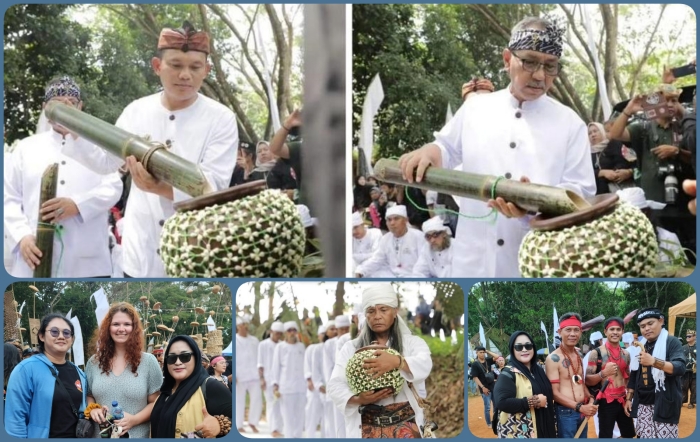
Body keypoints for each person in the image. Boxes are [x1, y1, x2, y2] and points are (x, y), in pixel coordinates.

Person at [398, 17, 595, 277]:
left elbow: (581, 194)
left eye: (550, 66)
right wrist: (430, 151)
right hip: (473, 261)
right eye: (530, 62)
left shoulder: (570, 123)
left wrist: (534, 203)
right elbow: (445, 147)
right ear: (506, 59)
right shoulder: (476, 108)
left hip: (535, 263)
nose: (539, 75)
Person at [60, 21, 238, 277]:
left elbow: (215, 184)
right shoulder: (136, 111)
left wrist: (160, 188)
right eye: (176, 65)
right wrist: (76, 130)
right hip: (140, 245)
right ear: (157, 66)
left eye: (195, 67)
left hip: (193, 248)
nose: (185, 74)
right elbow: (107, 162)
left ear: (207, 70)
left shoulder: (221, 118)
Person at [4, 76, 122, 277]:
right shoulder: (26, 148)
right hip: (34, 257)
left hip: (87, 262)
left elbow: (113, 186)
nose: (65, 110)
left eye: (71, 103)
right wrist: (22, 236)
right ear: (45, 108)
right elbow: (9, 198)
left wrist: (77, 205)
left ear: (80, 107)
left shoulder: (98, 146)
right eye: (58, 104)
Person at [327, 283, 432, 438]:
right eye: (371, 311)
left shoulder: (412, 343)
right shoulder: (350, 348)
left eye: (383, 310)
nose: (377, 316)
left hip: (407, 427)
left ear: (395, 312)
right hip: (367, 428)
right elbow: (335, 385)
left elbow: (425, 363)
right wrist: (358, 399)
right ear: (366, 315)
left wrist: (398, 362)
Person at [609, 83, 695, 262]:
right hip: (654, 201)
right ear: (655, 105)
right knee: (660, 248)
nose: (671, 105)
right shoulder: (643, 128)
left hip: (683, 201)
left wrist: (677, 152)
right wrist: (628, 111)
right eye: (666, 101)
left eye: (674, 101)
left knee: (690, 246)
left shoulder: (683, 126)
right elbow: (615, 134)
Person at [85, 302, 162, 438]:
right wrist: (93, 409)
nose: (121, 329)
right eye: (116, 324)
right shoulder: (94, 362)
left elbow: (156, 402)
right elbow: (89, 395)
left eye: (127, 324)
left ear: (134, 328)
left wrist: (134, 419)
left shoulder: (148, 362)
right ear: (108, 328)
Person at [5, 313, 89, 438]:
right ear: (42, 336)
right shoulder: (26, 370)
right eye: (54, 332)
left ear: (72, 339)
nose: (61, 336)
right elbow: (15, 421)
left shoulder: (79, 373)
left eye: (66, 333)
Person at [150, 335, 232, 438]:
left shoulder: (210, 387)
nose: (178, 362)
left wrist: (219, 425)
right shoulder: (165, 392)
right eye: (172, 358)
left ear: (196, 358)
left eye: (185, 357)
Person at [625, 307, 686, 438]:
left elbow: (680, 367)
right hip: (642, 404)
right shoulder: (641, 345)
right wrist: (629, 399)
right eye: (642, 326)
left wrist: (654, 361)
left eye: (650, 323)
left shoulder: (671, 342)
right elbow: (634, 374)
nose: (646, 328)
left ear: (661, 321)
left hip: (664, 403)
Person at [493, 331, 556, 438]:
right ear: (512, 350)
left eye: (528, 346)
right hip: (522, 431)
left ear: (533, 348)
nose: (524, 350)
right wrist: (533, 402)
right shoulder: (508, 373)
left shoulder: (538, 370)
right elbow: (502, 402)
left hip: (545, 425)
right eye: (518, 347)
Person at [545, 312, 597, 438]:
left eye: (576, 330)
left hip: (581, 410)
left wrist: (590, 398)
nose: (573, 334)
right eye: (568, 330)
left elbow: (577, 380)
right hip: (566, 412)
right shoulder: (553, 358)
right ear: (559, 332)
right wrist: (580, 407)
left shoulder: (578, 355)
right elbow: (554, 393)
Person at [585, 317, 636, 438]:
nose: (615, 332)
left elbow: (628, 379)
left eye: (618, 329)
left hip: (623, 399)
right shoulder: (596, 353)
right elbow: (587, 380)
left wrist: (629, 399)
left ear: (622, 332)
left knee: (629, 434)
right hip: (605, 401)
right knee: (606, 435)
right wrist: (603, 373)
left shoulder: (626, 354)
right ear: (605, 332)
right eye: (611, 329)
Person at [617, 187, 686, 264]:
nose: (631, 220)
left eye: (634, 214)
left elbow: (683, 270)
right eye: (625, 216)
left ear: (647, 212)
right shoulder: (615, 243)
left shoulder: (668, 238)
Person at [355, 205, 425, 277]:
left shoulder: (419, 237)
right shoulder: (386, 238)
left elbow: (424, 264)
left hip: (413, 277)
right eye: (389, 220)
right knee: (374, 274)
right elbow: (377, 259)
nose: (392, 223)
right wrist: (361, 271)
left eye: (396, 219)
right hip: (392, 276)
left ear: (405, 220)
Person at [271, 321, 307, 438]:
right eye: (289, 330)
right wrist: (275, 384)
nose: (292, 332)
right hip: (285, 387)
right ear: (286, 333)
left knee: (300, 416)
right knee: (287, 417)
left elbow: (306, 366)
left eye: (294, 330)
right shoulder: (280, 347)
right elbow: (275, 366)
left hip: (301, 387)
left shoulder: (301, 346)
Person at [589, 121, 636, 194]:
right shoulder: (587, 154)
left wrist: (628, 172)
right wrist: (601, 173)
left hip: (624, 189)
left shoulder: (617, 144)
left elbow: (636, 164)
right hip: (600, 194)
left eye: (595, 131)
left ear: (602, 131)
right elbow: (584, 174)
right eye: (590, 133)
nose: (593, 135)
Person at [323, 315, 351, 437]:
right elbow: (327, 366)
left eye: (346, 329)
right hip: (336, 385)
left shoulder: (351, 340)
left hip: (350, 387)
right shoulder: (329, 344)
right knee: (335, 421)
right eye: (341, 329)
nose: (344, 332)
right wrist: (331, 386)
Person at [235, 316, 262, 433]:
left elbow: (260, 357)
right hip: (239, 376)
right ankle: (238, 424)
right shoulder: (235, 339)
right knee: (239, 401)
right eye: (243, 324)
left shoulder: (255, 340)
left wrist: (261, 370)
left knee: (257, 399)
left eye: (246, 324)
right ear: (238, 326)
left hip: (254, 375)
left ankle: (253, 422)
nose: (245, 327)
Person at [258, 321, 284, 438]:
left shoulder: (283, 345)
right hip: (268, 379)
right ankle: (273, 428)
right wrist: (262, 379)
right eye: (276, 333)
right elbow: (260, 364)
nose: (278, 335)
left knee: (280, 404)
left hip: (281, 380)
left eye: (280, 334)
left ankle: (279, 428)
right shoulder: (263, 345)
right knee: (271, 403)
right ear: (271, 332)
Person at [305, 326, 327, 438]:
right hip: (314, 387)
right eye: (321, 333)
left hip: (327, 387)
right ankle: (310, 436)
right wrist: (309, 380)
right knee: (312, 413)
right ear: (318, 335)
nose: (323, 335)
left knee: (326, 416)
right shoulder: (312, 348)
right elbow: (307, 365)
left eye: (325, 333)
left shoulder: (331, 346)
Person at [470, 345, 497, 427]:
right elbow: (475, 377)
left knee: (496, 405)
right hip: (484, 388)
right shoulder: (475, 364)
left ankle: (496, 421)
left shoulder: (488, 360)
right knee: (488, 407)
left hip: (493, 386)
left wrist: (487, 351)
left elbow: (497, 356)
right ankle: (489, 423)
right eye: (480, 352)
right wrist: (482, 387)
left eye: (483, 352)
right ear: (477, 353)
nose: (482, 354)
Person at [682, 329, 696, 409]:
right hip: (685, 371)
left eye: (689, 336)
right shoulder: (683, 347)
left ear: (694, 337)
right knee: (683, 387)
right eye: (687, 336)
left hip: (695, 372)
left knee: (694, 387)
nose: (687, 337)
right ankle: (682, 401)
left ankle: (691, 402)